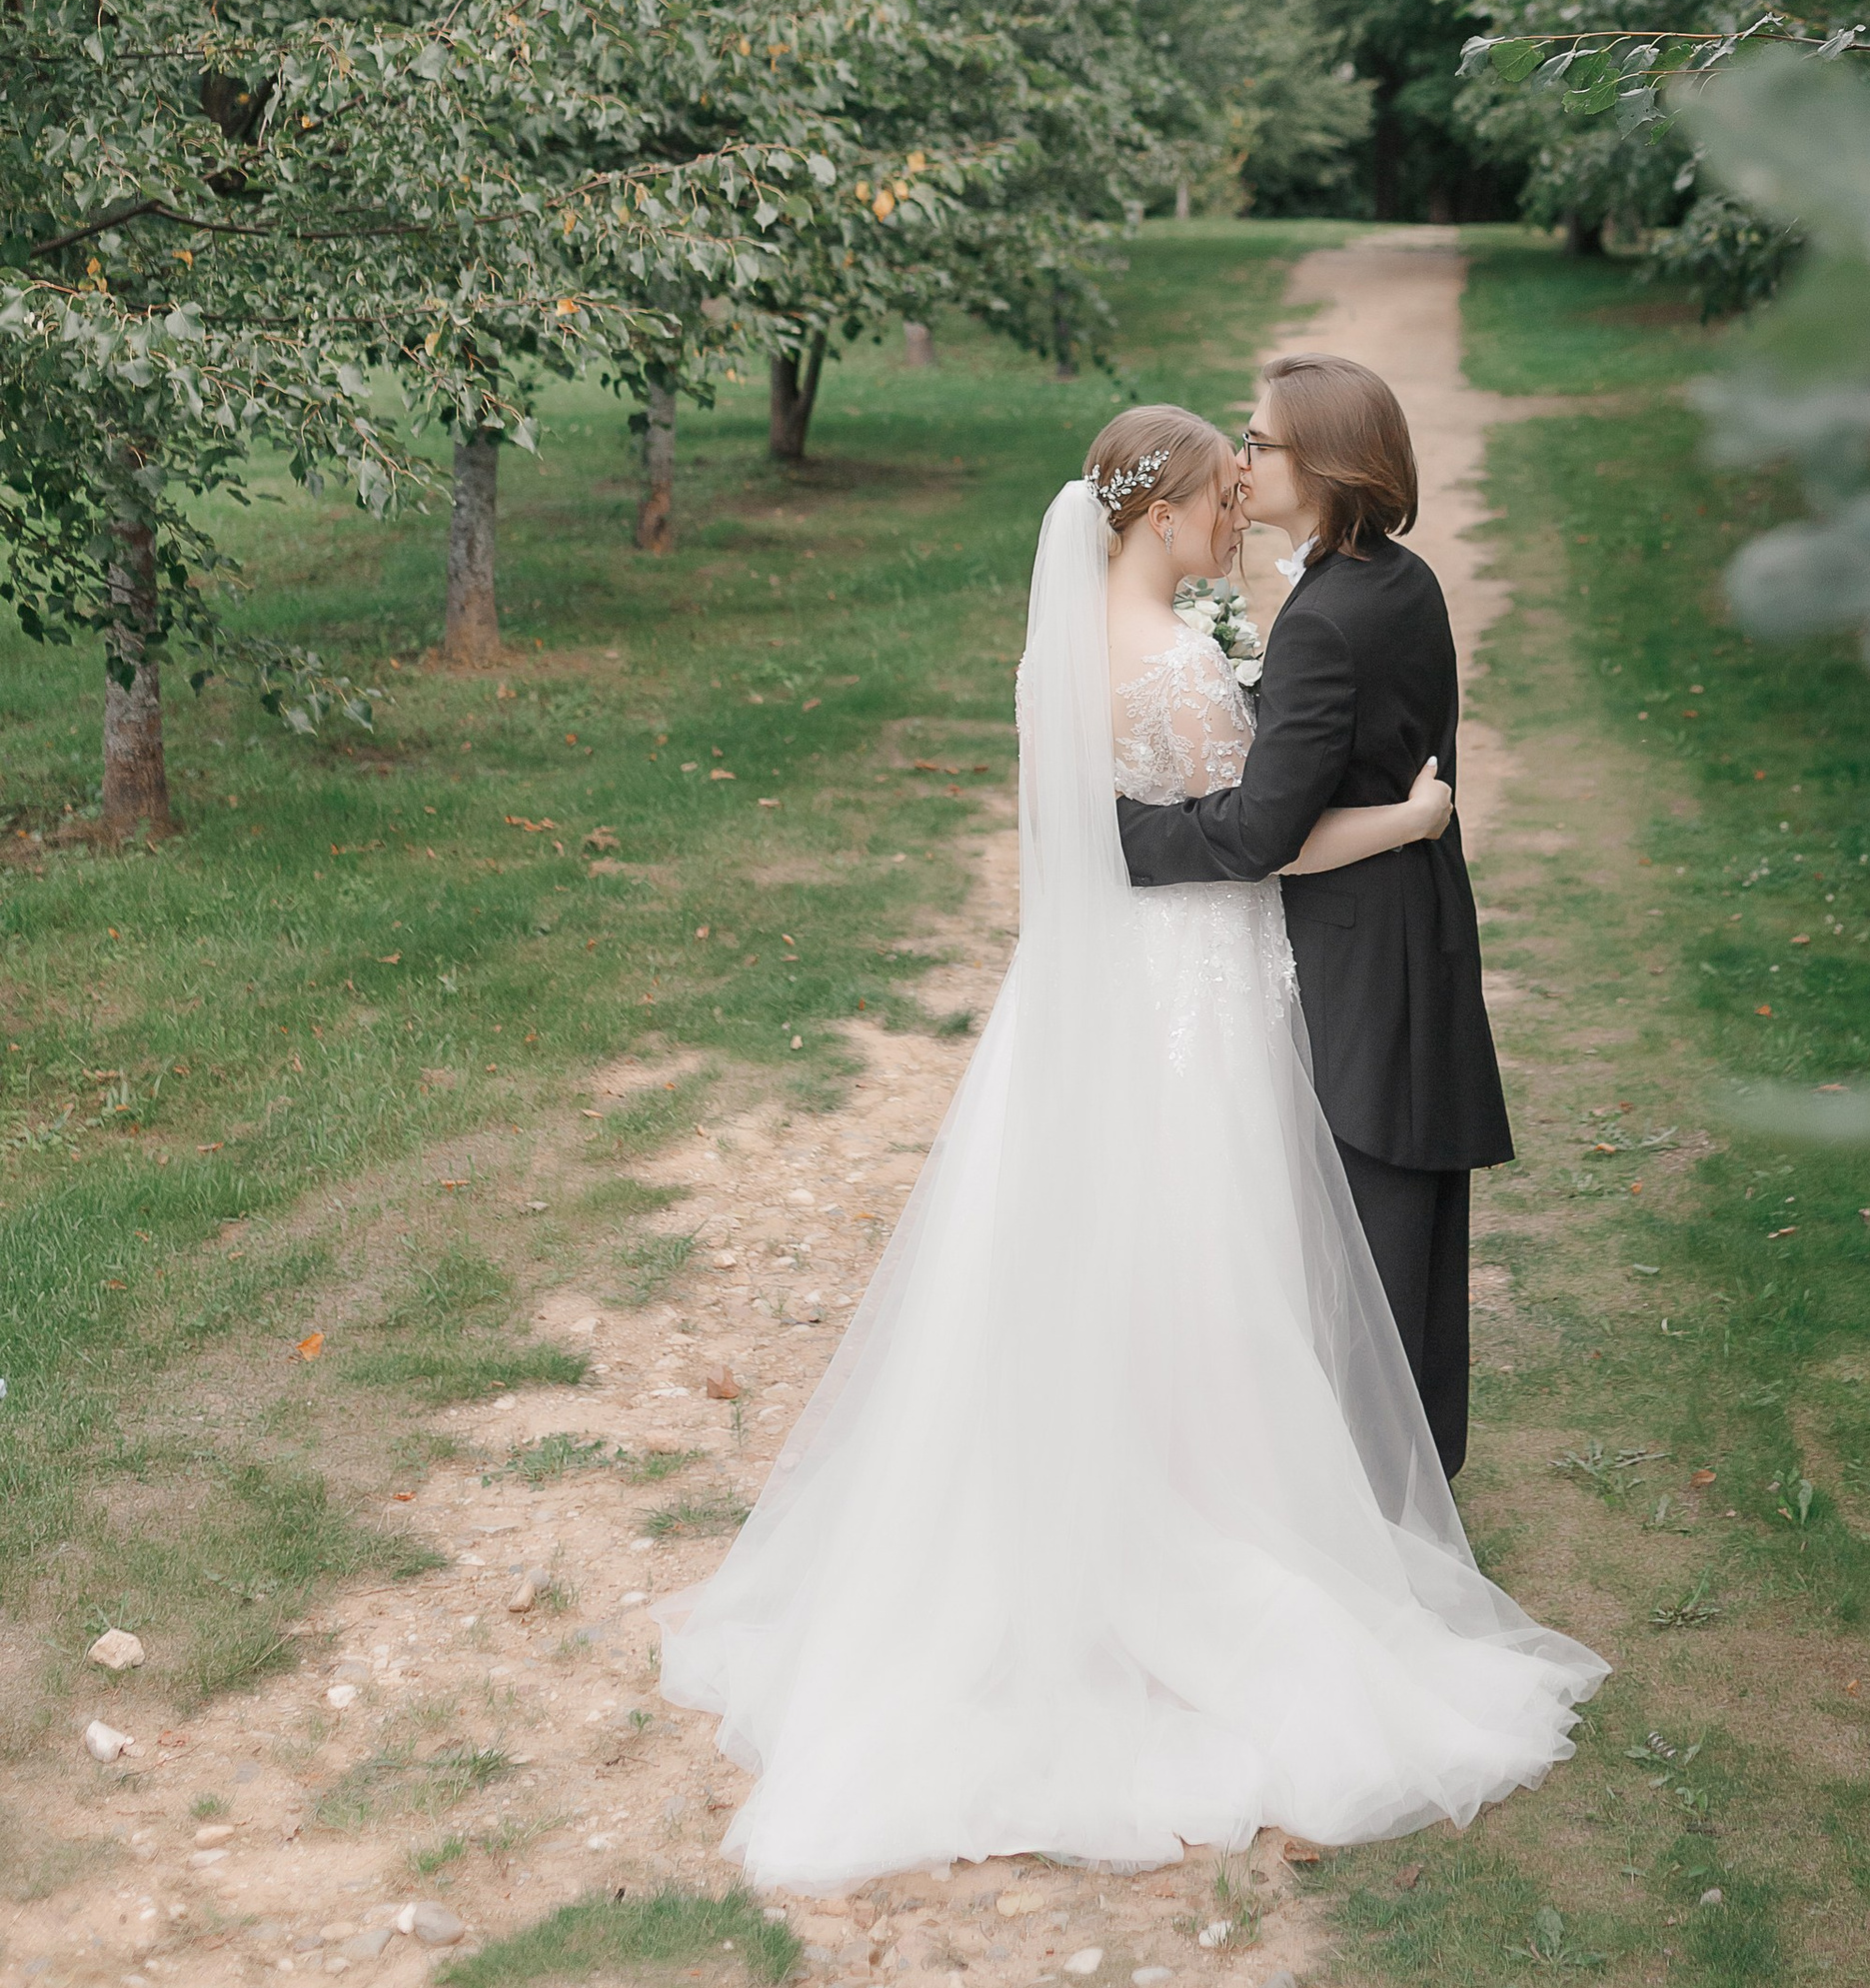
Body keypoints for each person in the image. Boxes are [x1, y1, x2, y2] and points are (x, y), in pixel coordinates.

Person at [655, 406, 1602, 1891]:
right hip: (1197, 991)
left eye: (1253, 484)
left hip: (1102, 989)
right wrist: (1414, 818)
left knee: (1100, 1249)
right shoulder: (1174, 657)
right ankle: (1216, 1523)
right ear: (1160, 514)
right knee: (1210, 1247)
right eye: (1223, 496)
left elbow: (1113, 827)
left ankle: (1095, 1509)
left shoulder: (1071, 648)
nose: (1238, 513)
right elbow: (1261, 836)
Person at [1116, 354, 1505, 1477]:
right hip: (1412, 921)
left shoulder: (1329, 620)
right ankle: (1410, 1476)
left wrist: (1117, 836)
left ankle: (1374, 1494)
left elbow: (1254, 834)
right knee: (1405, 1226)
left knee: (1370, 1223)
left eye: (1257, 442)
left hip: (1358, 951)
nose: (1239, 462)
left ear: (1323, 464)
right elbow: (1334, 755)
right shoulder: (1400, 581)